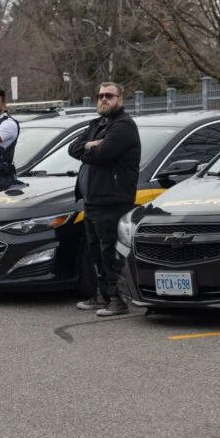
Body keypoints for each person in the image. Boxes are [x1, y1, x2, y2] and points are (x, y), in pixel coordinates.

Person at [68, 82, 140, 318]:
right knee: (95, 251)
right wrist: (90, 143)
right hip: (92, 200)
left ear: (120, 99)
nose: (103, 99)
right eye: (100, 96)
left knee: (109, 251)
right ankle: (102, 294)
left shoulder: (124, 126)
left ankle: (117, 299)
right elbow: (72, 147)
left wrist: (91, 148)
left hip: (112, 200)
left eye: (109, 96)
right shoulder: (97, 124)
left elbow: (101, 155)